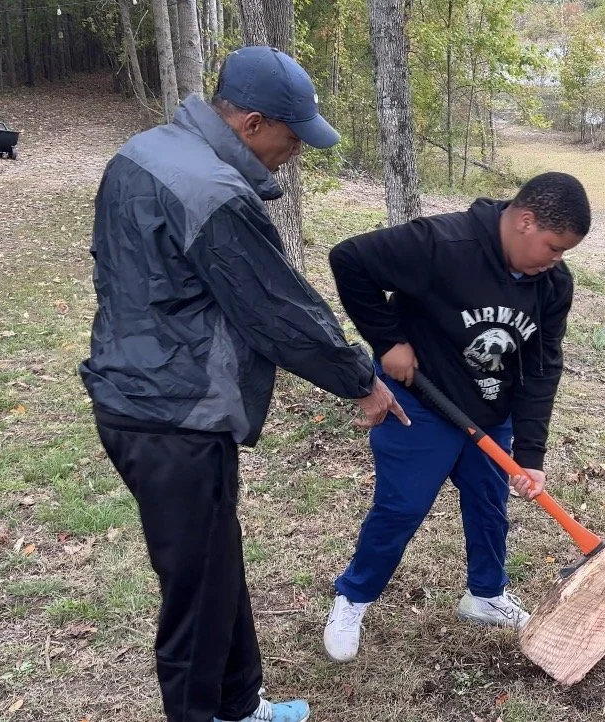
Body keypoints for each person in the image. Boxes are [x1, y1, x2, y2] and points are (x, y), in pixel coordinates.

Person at [79, 46, 408, 722]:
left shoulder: (143, 152)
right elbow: (278, 312)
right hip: (173, 416)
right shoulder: (213, 192)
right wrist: (359, 380)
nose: (295, 151)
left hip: (142, 399)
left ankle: (238, 704)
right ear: (254, 123)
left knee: (216, 567)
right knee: (196, 603)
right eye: (293, 136)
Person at [322, 172, 591, 663]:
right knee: (401, 508)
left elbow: (542, 366)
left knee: (489, 505)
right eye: (553, 248)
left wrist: (529, 454)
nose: (557, 260)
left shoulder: (552, 284)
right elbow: (350, 260)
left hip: (489, 413)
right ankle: (353, 597)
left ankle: (485, 595)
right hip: (420, 406)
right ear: (525, 222)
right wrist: (388, 341)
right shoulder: (442, 244)